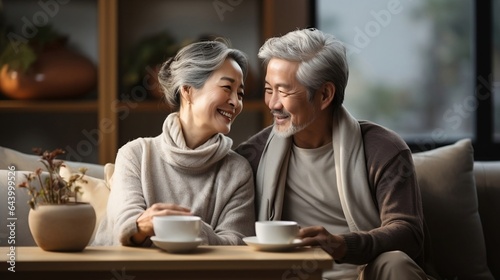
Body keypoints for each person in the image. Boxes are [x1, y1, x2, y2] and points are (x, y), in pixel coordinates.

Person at [235, 28, 434, 279]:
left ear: (325, 94)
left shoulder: (383, 149)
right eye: (268, 89)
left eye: (284, 92)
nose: (273, 104)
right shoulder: (254, 154)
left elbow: (409, 233)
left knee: (394, 263)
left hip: (366, 272)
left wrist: (342, 245)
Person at [94, 39, 255, 246]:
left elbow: (236, 245)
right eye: (227, 88)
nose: (236, 102)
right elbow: (126, 227)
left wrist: (186, 226)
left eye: (240, 94)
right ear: (188, 90)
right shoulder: (136, 154)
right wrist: (144, 225)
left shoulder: (237, 170)